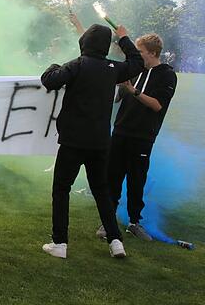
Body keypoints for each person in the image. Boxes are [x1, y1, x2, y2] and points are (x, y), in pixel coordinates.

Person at [40, 23, 144, 259]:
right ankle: (116, 241)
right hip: (100, 143)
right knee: (102, 191)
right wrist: (125, 39)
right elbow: (137, 63)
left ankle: (60, 243)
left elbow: (49, 80)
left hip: (73, 142)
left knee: (61, 190)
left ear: (84, 42)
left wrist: (54, 65)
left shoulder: (77, 65)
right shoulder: (113, 69)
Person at [99, 34, 177, 242]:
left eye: (140, 51)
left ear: (152, 53)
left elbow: (157, 105)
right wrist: (117, 87)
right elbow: (117, 98)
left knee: (136, 179)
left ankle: (134, 222)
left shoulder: (167, 75)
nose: (137, 55)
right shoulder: (135, 70)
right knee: (112, 177)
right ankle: (108, 223)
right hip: (120, 131)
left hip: (143, 136)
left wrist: (133, 91)